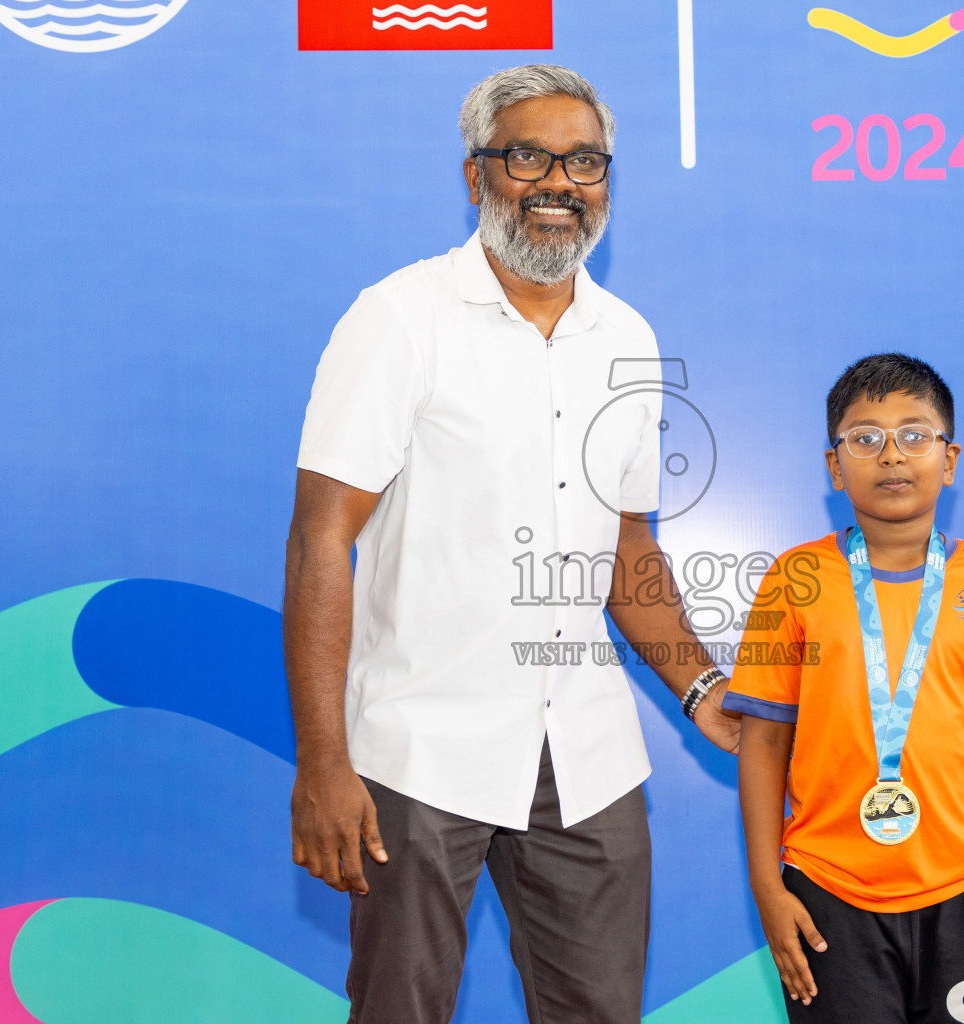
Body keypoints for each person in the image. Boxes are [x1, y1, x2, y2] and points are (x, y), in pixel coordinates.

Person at [283, 65, 739, 1024]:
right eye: (528, 156)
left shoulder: (630, 339)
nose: (558, 183)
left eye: (585, 161)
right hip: (419, 752)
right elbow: (323, 540)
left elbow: (627, 549)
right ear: (476, 174)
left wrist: (702, 689)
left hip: (586, 754)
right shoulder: (398, 319)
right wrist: (325, 763)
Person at [724, 353, 964, 1024]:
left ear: (950, 458)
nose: (892, 456)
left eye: (915, 435)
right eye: (865, 438)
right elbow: (762, 743)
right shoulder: (793, 580)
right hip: (829, 893)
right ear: (834, 465)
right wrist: (768, 883)